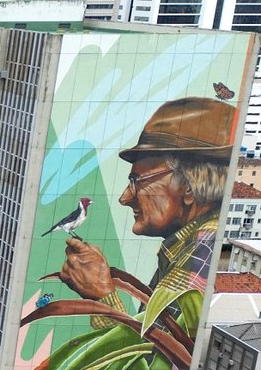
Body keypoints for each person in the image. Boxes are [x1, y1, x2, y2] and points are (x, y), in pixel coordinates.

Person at [55, 96, 235, 349]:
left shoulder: (201, 249)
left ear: (188, 188)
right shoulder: (189, 245)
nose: (125, 198)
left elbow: (149, 362)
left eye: (137, 181)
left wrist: (102, 294)